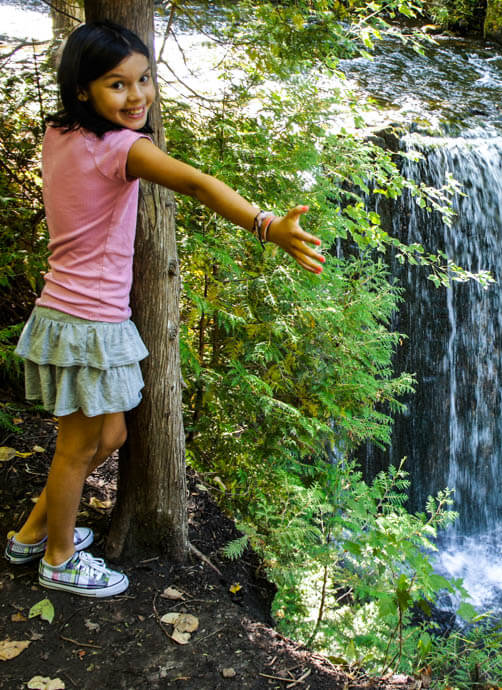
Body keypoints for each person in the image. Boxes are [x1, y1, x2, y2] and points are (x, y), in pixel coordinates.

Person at [3, 21, 325, 597]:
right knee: (78, 448)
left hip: (74, 316)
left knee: (111, 437)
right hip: (87, 322)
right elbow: (198, 185)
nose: (138, 96)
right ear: (83, 90)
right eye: (116, 85)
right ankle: (57, 560)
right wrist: (266, 225)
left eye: (144, 80)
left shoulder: (60, 133)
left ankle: (31, 533)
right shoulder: (123, 148)